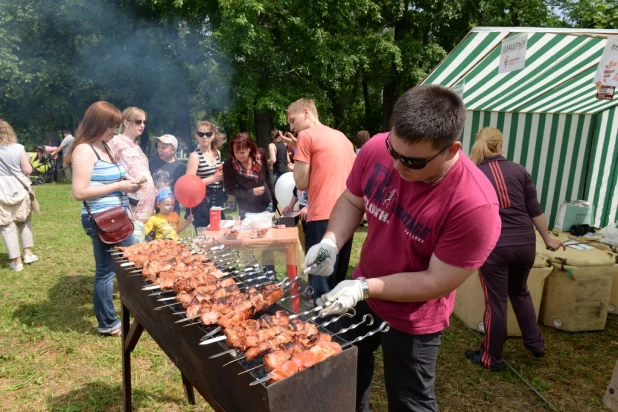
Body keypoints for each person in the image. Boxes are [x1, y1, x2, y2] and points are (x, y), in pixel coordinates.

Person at [303, 85, 502, 411]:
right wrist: (330, 242)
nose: (397, 166)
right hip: (362, 294)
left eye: (412, 161)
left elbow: (436, 281)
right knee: (344, 376)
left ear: (451, 150)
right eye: (393, 152)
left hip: (415, 316)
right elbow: (353, 199)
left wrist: (364, 288)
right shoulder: (375, 149)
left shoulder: (475, 206)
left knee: (410, 402)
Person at [465, 127, 565, 371]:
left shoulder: (474, 173)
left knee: (496, 302)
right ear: (500, 147)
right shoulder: (520, 170)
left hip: (496, 247)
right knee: (520, 292)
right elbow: (535, 210)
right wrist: (548, 238)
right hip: (525, 245)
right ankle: (535, 343)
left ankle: (491, 357)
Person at [66, 101, 144, 336]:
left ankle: (131, 312)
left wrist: (128, 186)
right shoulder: (84, 150)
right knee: (109, 270)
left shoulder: (105, 146)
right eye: (111, 126)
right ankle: (108, 323)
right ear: (97, 124)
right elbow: (79, 192)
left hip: (118, 217)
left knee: (129, 262)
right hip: (102, 220)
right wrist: (118, 185)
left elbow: (109, 182)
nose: (114, 131)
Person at [282, 98, 356, 302]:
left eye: (292, 120)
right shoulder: (342, 137)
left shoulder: (306, 136)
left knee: (320, 286)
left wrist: (297, 154)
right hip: (347, 218)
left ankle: (321, 330)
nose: (292, 127)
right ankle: (335, 330)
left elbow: (301, 181)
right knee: (337, 282)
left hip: (322, 218)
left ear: (306, 112)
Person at [0, 120, 38, 271]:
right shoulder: (19, 148)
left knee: (6, 225)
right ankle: (28, 253)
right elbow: (28, 170)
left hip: (1, 189)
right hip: (19, 187)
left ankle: (17, 262)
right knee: (24, 221)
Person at [108, 107, 157, 222]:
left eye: (144, 122)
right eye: (138, 122)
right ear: (126, 122)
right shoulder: (115, 142)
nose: (142, 125)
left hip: (147, 206)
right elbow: (108, 169)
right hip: (131, 204)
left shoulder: (137, 146)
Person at [223, 133, 275, 219]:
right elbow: (230, 189)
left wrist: (274, 198)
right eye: (236, 152)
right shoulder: (229, 165)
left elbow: (268, 177)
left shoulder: (261, 154)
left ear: (250, 148)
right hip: (246, 208)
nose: (240, 155)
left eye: (243, 152)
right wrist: (251, 192)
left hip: (266, 204)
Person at [186, 120, 225, 229]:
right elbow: (189, 186)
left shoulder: (217, 153)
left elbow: (217, 176)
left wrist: (221, 177)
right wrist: (213, 178)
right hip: (202, 203)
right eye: (201, 134)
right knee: (204, 238)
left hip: (217, 199)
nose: (204, 137)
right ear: (196, 136)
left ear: (213, 136)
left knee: (219, 233)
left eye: (208, 134)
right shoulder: (194, 156)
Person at [149, 134, 187, 211]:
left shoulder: (180, 167)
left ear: (173, 150)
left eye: (163, 148)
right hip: (153, 206)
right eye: (158, 147)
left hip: (171, 208)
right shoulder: (152, 163)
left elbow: (183, 189)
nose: (160, 150)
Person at [269, 129, 292, 214]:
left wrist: (265, 161)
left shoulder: (272, 145)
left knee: (273, 196)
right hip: (286, 173)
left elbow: (273, 159)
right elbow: (288, 160)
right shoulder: (284, 145)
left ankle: (272, 215)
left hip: (278, 173)